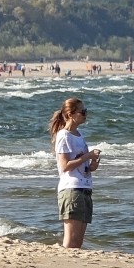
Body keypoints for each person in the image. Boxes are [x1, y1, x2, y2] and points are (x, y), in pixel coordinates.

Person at [49, 97, 99, 249]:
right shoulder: (63, 136)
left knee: (78, 242)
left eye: (85, 111)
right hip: (71, 189)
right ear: (70, 114)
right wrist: (87, 156)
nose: (85, 115)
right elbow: (64, 166)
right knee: (71, 241)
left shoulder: (79, 134)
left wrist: (93, 163)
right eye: (82, 112)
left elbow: (84, 165)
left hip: (85, 188)